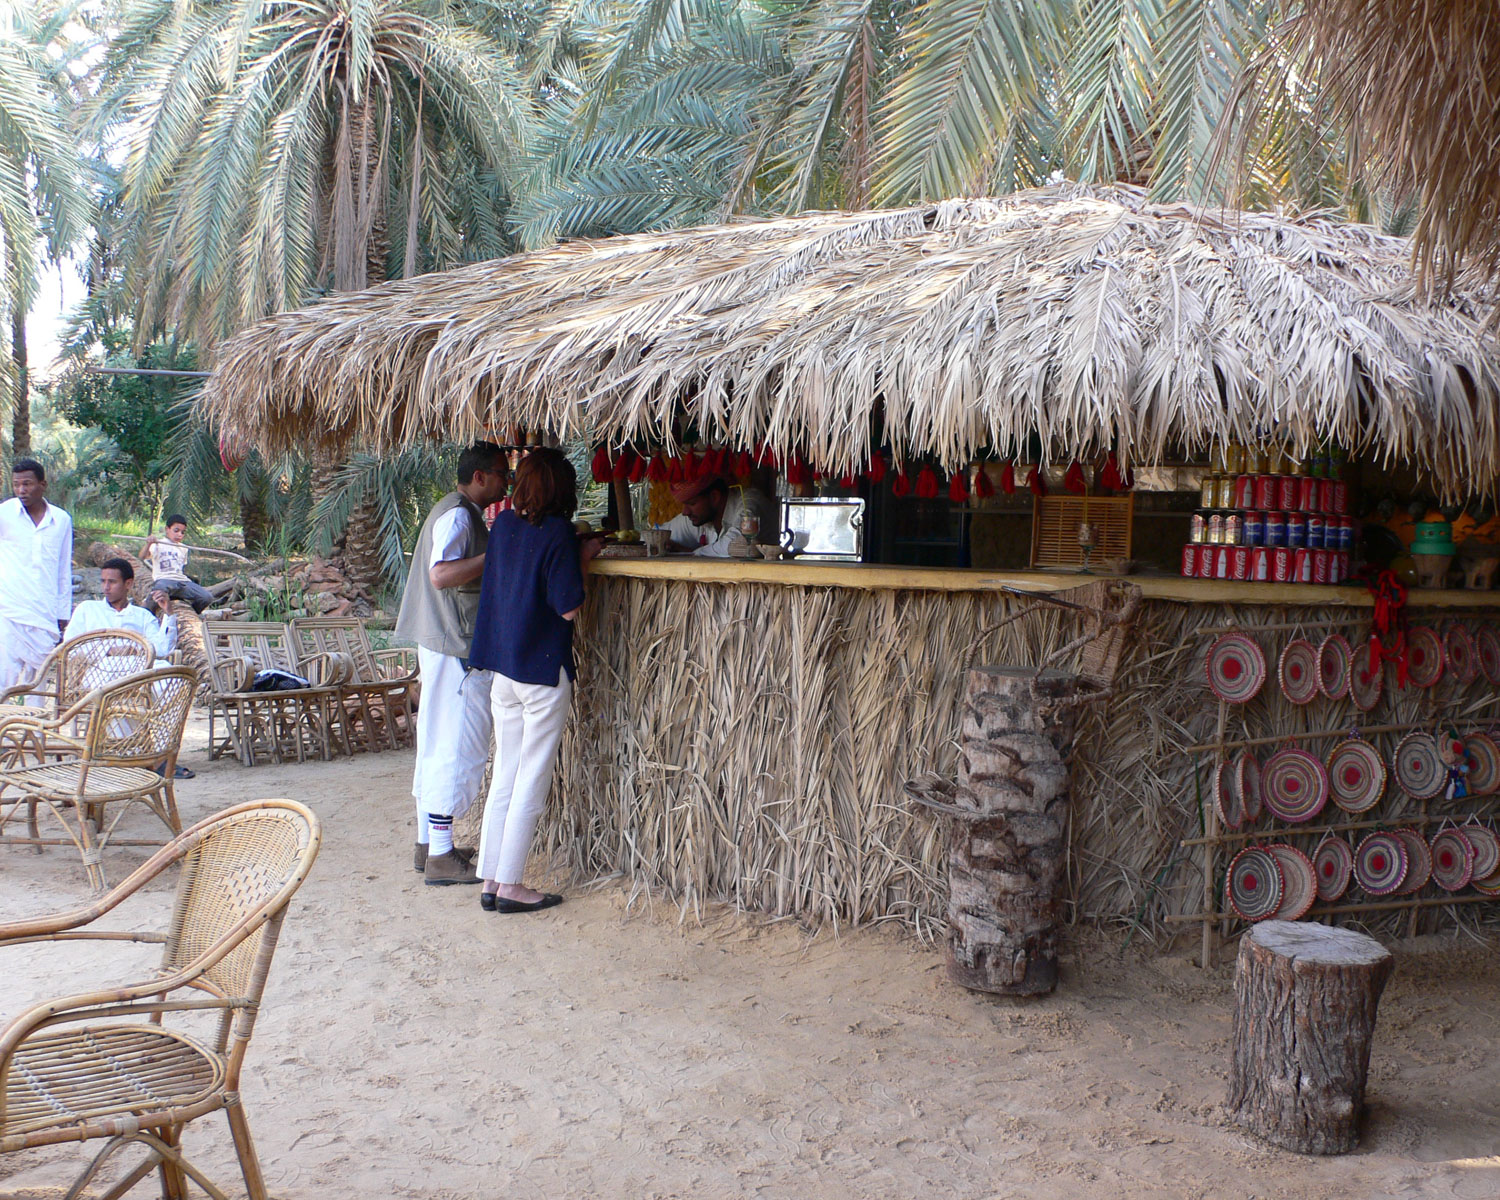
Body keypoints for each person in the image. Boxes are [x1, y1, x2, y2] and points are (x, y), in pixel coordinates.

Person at [469, 447, 601, 913]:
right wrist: (583, 557)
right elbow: (568, 606)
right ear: (564, 491)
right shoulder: (560, 534)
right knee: (532, 779)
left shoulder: (502, 526)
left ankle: (491, 879)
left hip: (504, 671)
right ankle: (512, 886)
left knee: (505, 773)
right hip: (543, 673)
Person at [395, 442, 510, 886]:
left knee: (436, 740)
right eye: (501, 474)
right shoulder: (461, 515)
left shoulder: (455, 510)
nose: (506, 481)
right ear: (479, 477)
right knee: (456, 743)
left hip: (441, 641)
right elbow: (441, 574)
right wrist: (495, 556)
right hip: (453, 643)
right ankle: (442, 856)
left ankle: (430, 844)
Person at [0, 459, 73, 691]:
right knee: (4, 678)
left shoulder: (61, 520)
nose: (21, 490)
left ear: (43, 484)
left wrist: (63, 614)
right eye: (17, 484)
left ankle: (35, 728)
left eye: (27, 484)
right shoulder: (4, 513)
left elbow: (63, 569)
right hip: (8, 610)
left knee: (38, 682)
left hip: (44, 613)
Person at [64, 557, 178, 664]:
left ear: (128, 584)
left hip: (137, 670)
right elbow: (69, 647)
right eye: (103, 581)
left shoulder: (143, 616)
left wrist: (168, 613)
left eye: (112, 582)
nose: (106, 587)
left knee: (165, 669)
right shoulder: (87, 609)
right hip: (99, 671)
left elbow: (163, 650)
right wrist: (107, 651)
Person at [663, 474, 777, 556]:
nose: (685, 512)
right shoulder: (699, 517)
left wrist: (695, 553)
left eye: (692, 503)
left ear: (714, 497)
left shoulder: (749, 501)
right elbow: (659, 534)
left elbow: (739, 542)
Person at [143, 515, 217, 613]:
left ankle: (192, 612)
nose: (179, 535)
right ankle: (146, 612)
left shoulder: (183, 548)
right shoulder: (158, 544)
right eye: (176, 530)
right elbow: (143, 556)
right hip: (165, 580)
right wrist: (149, 544)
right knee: (158, 590)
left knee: (207, 597)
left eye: (182, 532)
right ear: (167, 529)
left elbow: (181, 568)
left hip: (182, 581)